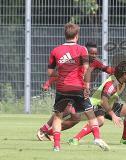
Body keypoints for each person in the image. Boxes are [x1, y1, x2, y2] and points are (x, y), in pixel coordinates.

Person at [47, 23, 109, 151]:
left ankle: (56, 146)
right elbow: (86, 69)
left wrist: (63, 74)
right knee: (90, 113)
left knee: (58, 116)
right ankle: (97, 138)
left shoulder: (55, 51)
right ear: (77, 35)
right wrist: (86, 86)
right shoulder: (82, 49)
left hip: (62, 88)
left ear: (65, 35)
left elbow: (50, 73)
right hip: (78, 87)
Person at [37, 41, 115, 143]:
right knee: (66, 111)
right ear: (86, 52)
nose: (94, 56)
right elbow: (59, 73)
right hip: (70, 89)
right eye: (91, 53)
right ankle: (44, 130)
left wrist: (120, 71)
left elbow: (107, 69)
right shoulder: (76, 60)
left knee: (75, 118)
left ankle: (49, 131)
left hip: (80, 92)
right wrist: (48, 83)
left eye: (96, 53)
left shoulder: (96, 62)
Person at [68, 61, 126, 145]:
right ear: (123, 74)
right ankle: (75, 139)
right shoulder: (112, 85)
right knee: (100, 121)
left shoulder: (120, 80)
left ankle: (125, 139)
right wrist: (113, 115)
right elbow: (103, 101)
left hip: (107, 105)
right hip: (96, 105)